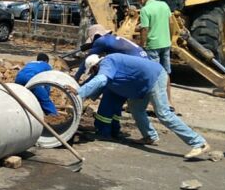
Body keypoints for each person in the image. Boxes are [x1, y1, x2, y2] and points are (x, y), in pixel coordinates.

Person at [76, 52, 211, 159]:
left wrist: (78, 93)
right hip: (144, 84)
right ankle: (150, 136)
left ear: (95, 67)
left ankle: (199, 143)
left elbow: (101, 80)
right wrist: (86, 94)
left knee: (164, 114)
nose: (94, 74)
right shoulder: (110, 62)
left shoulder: (107, 62)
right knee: (135, 108)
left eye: (93, 71)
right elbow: (102, 84)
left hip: (154, 78)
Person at [75, 25, 148, 140]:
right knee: (117, 101)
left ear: (95, 36)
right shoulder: (112, 40)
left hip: (132, 70)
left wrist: (77, 81)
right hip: (139, 72)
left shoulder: (100, 41)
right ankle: (114, 130)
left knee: (108, 99)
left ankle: (103, 132)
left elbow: (89, 63)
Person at [136, 0, 175, 108]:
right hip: (166, 44)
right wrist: (169, 38)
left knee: (153, 74)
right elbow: (171, 23)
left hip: (152, 46)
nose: (140, 3)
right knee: (166, 73)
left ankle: (154, 104)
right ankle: (168, 102)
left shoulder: (145, 10)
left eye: (139, 1)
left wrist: (142, 45)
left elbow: (145, 29)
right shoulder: (164, 5)